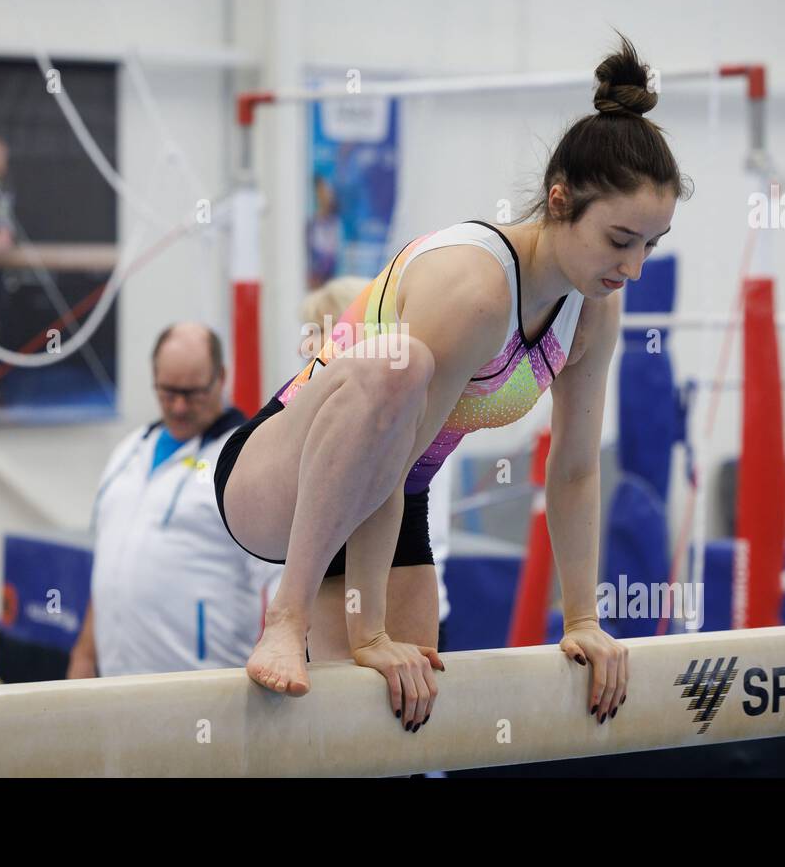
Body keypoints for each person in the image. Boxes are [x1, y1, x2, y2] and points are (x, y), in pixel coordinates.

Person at [214, 36, 690, 732]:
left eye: (653, 244)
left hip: (393, 494)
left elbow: (578, 468)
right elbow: (392, 445)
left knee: (396, 725)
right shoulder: (476, 289)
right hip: (285, 474)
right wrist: (368, 631)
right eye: (621, 240)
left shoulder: (594, 310)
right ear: (559, 201)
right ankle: (282, 616)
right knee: (399, 366)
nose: (635, 266)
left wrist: (584, 619)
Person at [69, 323, 280, 677]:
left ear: (221, 378)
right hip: (115, 682)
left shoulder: (247, 462)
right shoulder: (130, 450)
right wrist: (85, 655)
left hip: (204, 689)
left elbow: (280, 579)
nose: (179, 407)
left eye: (193, 393)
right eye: (168, 392)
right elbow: (110, 565)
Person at [298, 276, 453, 658]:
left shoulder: (414, 414)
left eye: (328, 332)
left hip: (395, 591)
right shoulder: (316, 411)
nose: (315, 350)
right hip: (335, 591)